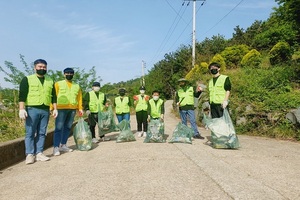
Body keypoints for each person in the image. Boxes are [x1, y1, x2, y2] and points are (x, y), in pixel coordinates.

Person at [19, 59, 58, 164]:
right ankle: (30, 154)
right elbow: (22, 95)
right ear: (35, 67)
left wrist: (55, 108)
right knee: (30, 132)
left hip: (45, 109)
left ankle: (39, 153)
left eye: (44, 67)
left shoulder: (50, 80)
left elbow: (54, 96)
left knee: (42, 132)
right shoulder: (27, 79)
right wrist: (21, 109)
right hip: (32, 109)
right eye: (40, 67)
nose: (42, 68)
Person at [53, 68, 83, 156]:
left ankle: (63, 144)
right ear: (64, 74)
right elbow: (54, 96)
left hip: (72, 108)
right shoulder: (58, 84)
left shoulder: (77, 86)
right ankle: (56, 147)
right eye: (67, 73)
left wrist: (80, 108)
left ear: (73, 75)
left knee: (68, 127)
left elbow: (79, 98)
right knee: (58, 127)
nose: (69, 74)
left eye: (71, 73)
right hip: (61, 108)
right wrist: (52, 108)